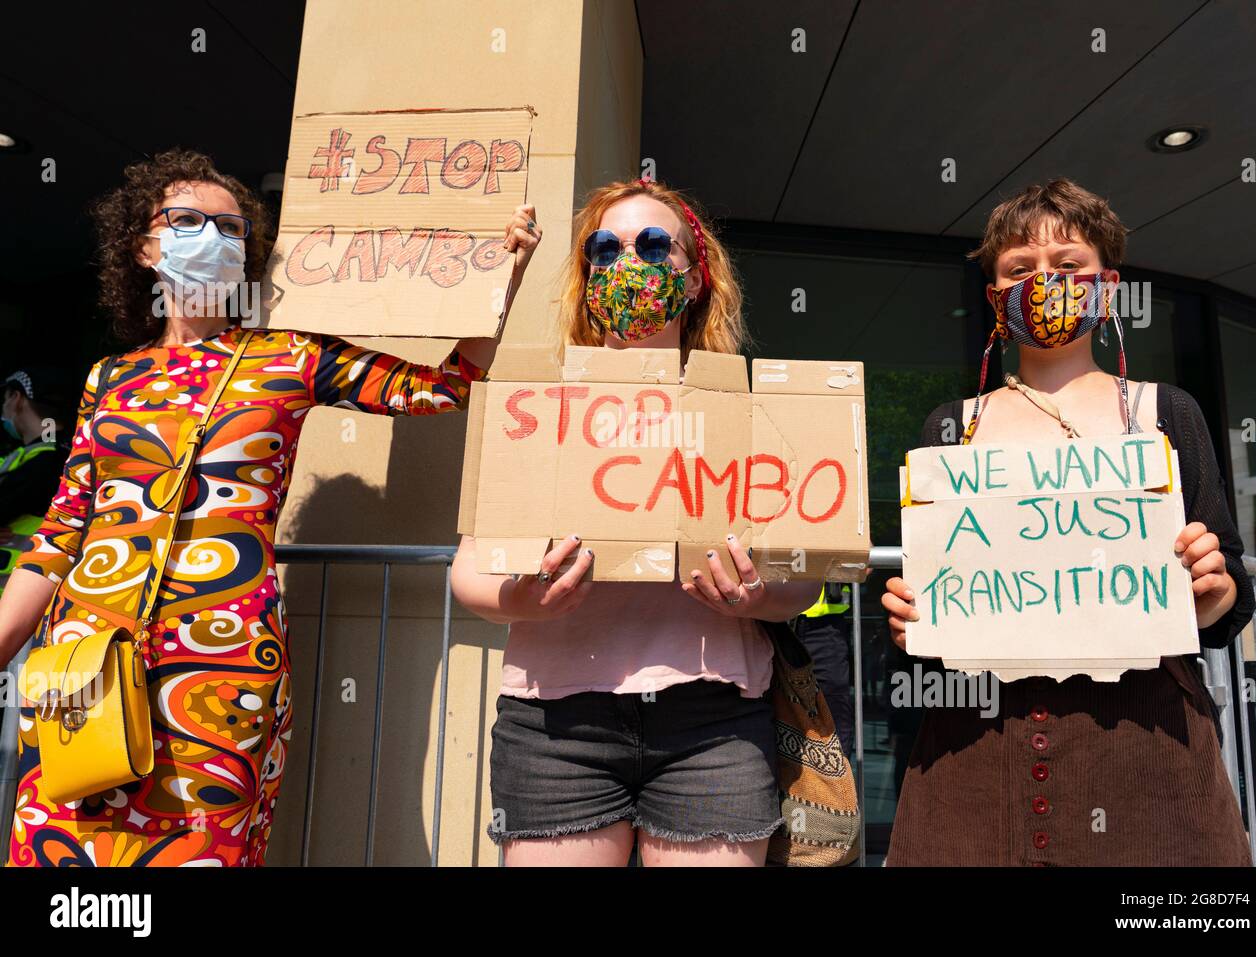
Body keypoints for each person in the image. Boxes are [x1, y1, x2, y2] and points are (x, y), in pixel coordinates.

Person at [0, 147, 541, 866]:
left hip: (221, 665)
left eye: (231, 229)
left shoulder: (287, 355)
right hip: (85, 664)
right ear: (142, 245)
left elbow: (446, 383)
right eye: (189, 220)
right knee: (65, 860)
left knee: (201, 849)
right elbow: (61, 531)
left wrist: (502, 271)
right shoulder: (111, 376)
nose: (214, 239)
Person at [880, 178, 1254, 866]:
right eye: (1019, 269)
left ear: (1107, 285)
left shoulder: (1166, 414)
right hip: (977, 750)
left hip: (1145, 751)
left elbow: (1227, 582)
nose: (1044, 281)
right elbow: (930, 606)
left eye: (1068, 265)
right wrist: (908, 620)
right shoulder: (952, 429)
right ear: (995, 296)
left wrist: (1214, 589)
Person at [451, 178, 822, 866]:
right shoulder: (538, 406)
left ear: (695, 272)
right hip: (556, 726)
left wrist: (758, 596)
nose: (628, 262)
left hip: (713, 724)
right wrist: (522, 601)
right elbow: (469, 574)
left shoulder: (745, 410)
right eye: (604, 249)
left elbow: (803, 576)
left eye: (654, 245)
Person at [0, 368, 77, 594]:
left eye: (4, 398)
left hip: (14, 599)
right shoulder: (58, 449)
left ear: (16, 398)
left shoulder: (49, 460)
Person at [792, 582, 856, 757]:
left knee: (833, 712)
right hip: (769, 615)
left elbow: (865, 561)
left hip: (825, 624)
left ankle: (838, 781)